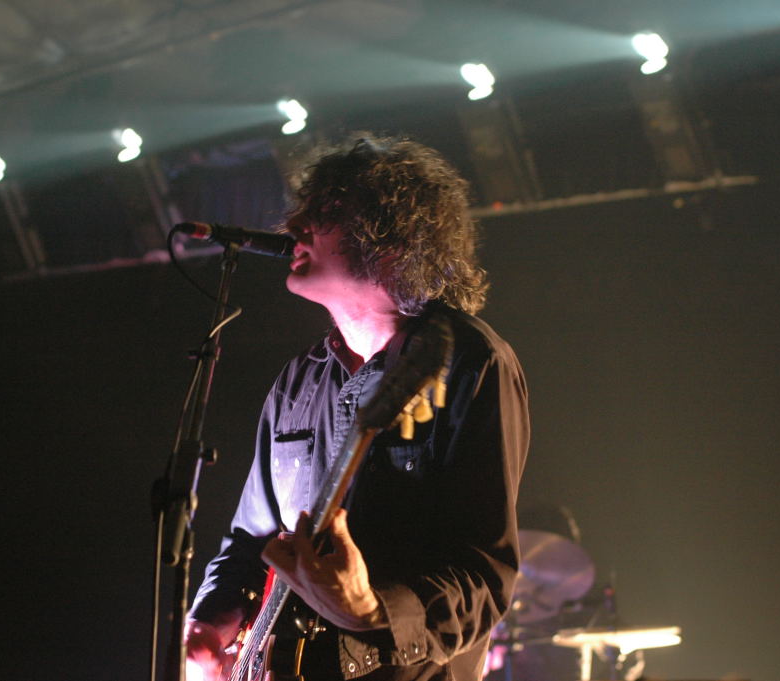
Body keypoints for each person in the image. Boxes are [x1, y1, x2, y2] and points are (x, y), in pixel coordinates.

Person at [185, 135, 530, 681]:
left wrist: (373, 610)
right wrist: (210, 621)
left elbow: (484, 575)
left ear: (389, 237)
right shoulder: (297, 383)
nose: (294, 226)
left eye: (324, 213)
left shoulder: (468, 361)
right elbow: (251, 540)